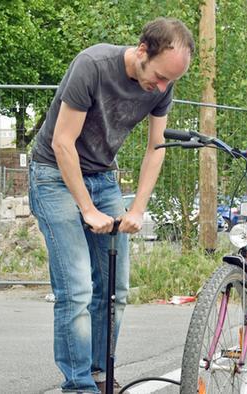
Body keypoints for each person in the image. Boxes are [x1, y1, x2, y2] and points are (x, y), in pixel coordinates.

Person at [28, 17, 194, 393]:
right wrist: (87, 209)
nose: (163, 88)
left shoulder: (162, 88)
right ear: (141, 51)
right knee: (77, 289)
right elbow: (62, 143)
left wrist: (136, 209)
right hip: (53, 174)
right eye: (160, 76)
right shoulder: (93, 66)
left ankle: (100, 374)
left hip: (102, 177)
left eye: (171, 82)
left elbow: (157, 148)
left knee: (115, 290)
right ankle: (79, 384)